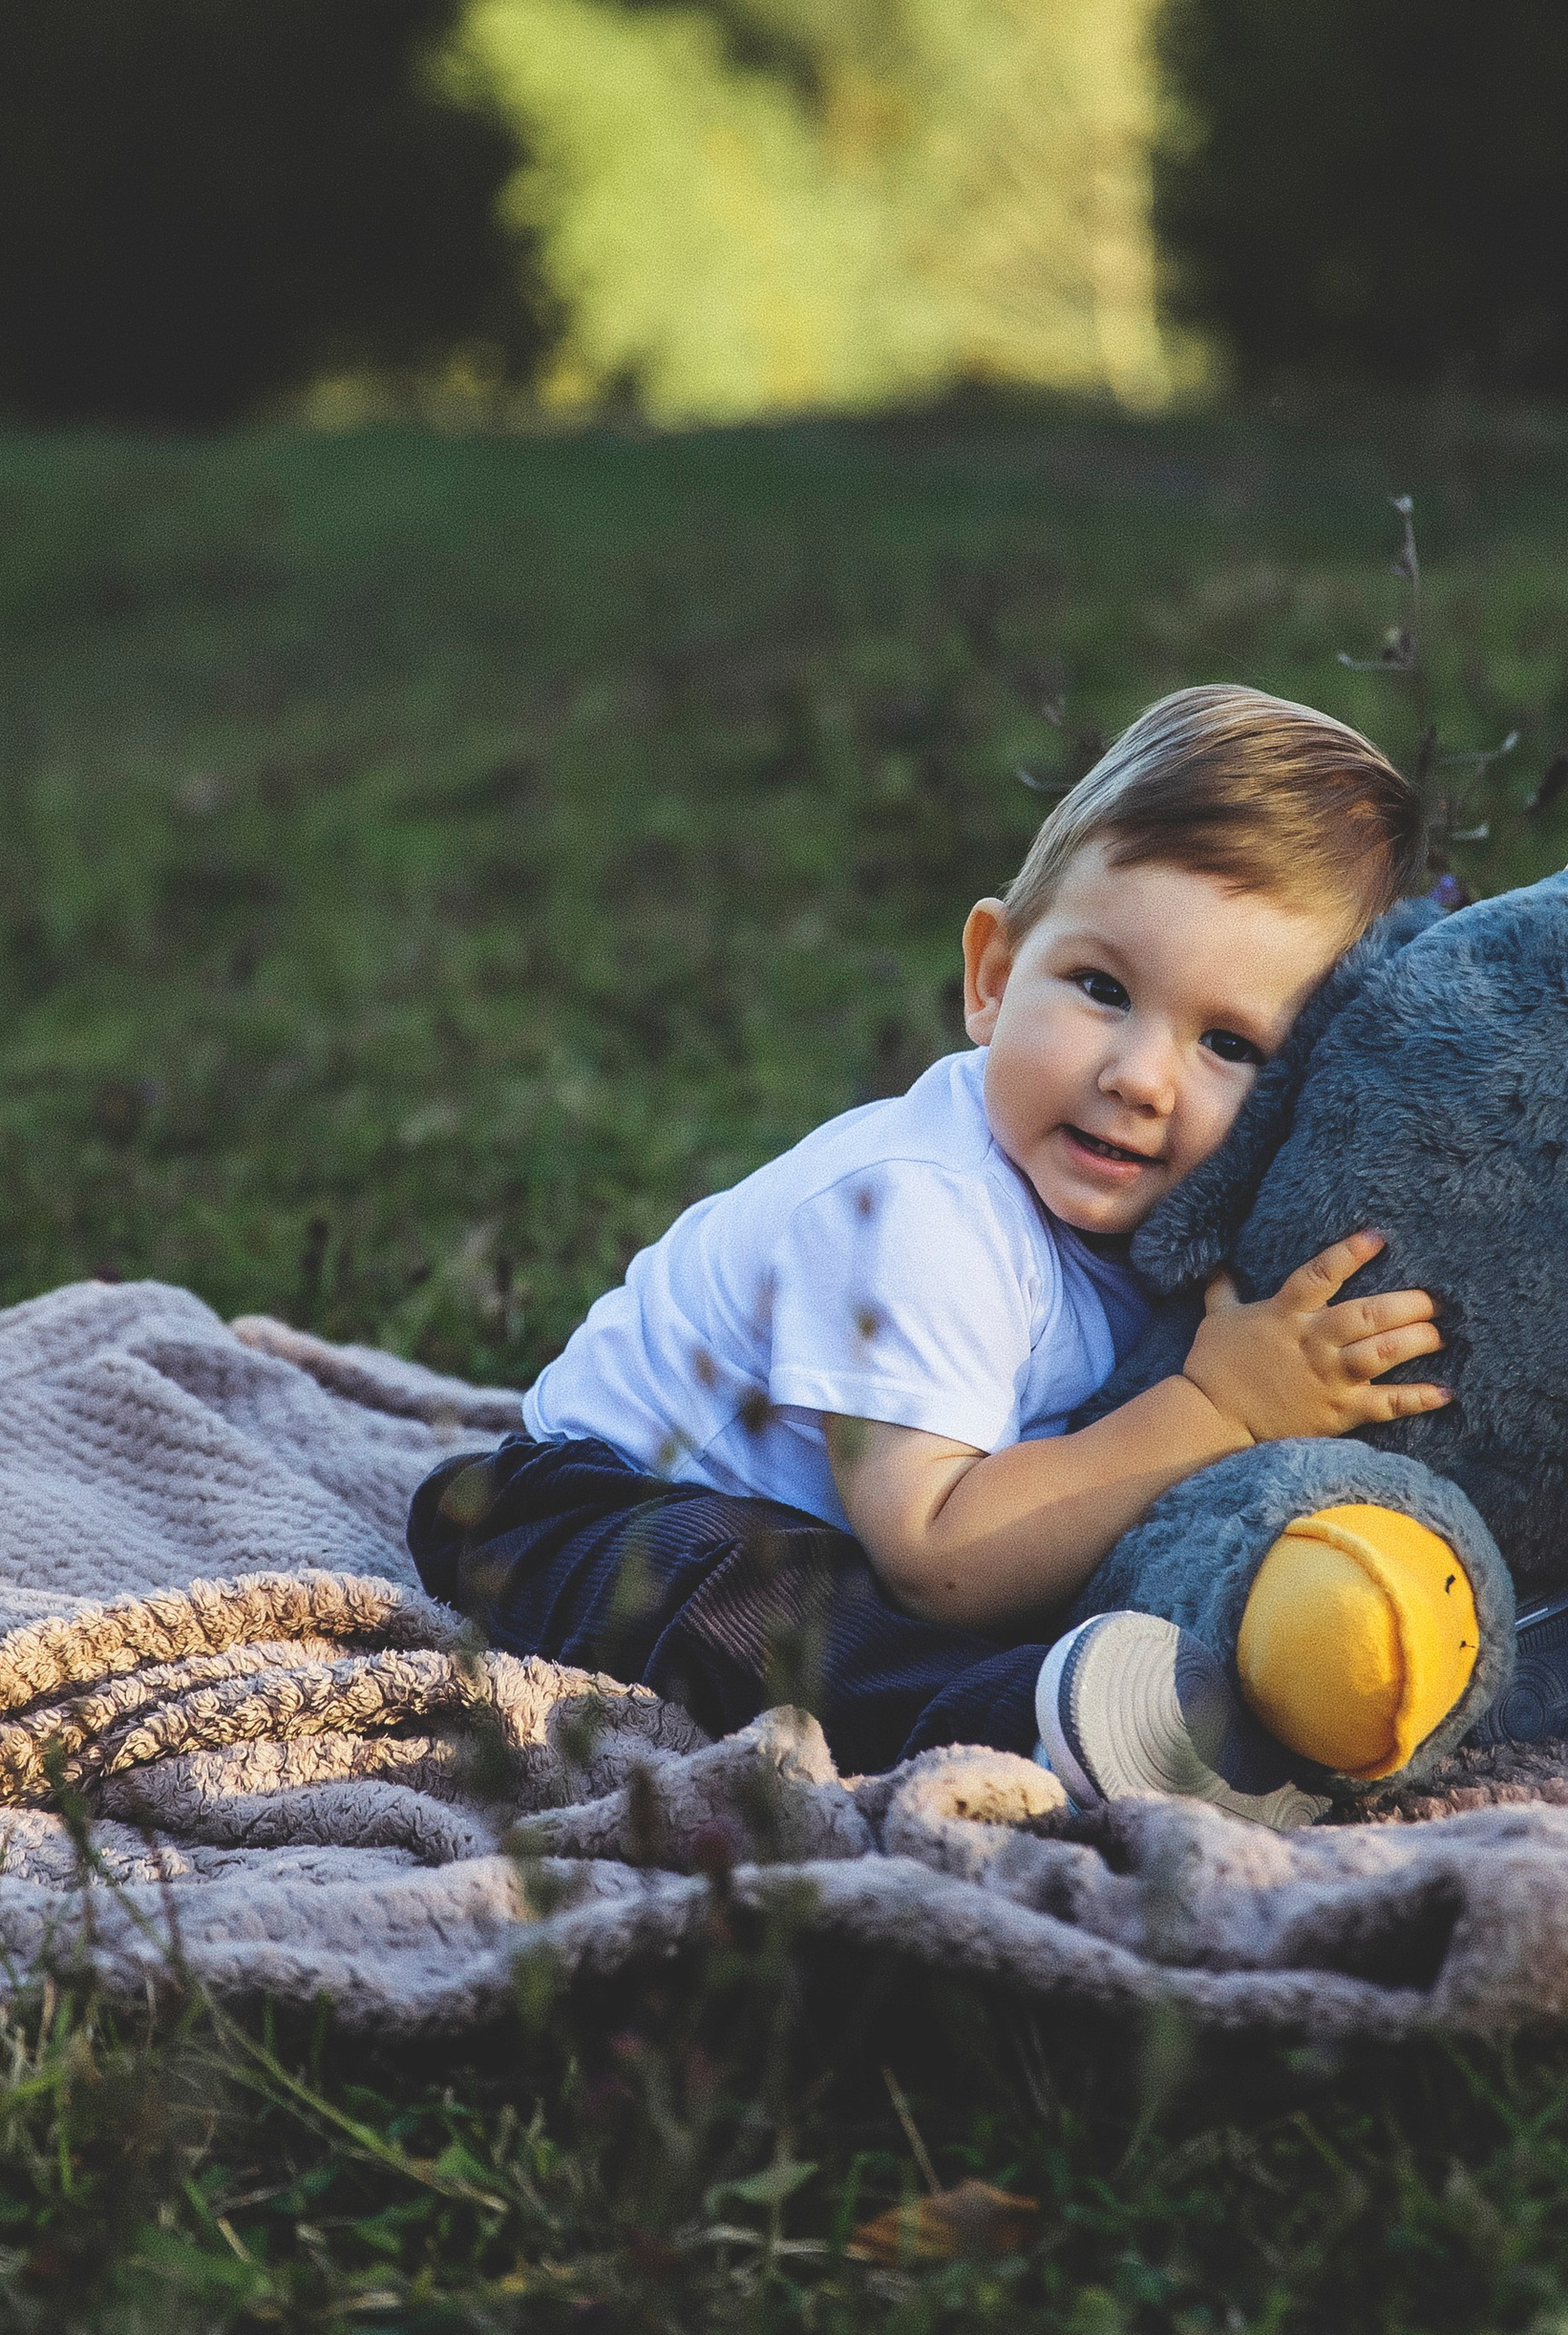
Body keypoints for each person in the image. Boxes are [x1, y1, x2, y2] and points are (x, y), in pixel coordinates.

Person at [408, 686, 1446, 1796]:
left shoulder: (1183, 1235)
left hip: (854, 1534)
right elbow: (939, 1554)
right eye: (1100, 989)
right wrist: (1221, 1410)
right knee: (771, 1612)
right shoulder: (922, 1210)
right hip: (585, 1516)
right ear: (993, 976)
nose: (1137, 1076)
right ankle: (1047, 1724)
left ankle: (1213, 1688)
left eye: (1230, 1043)